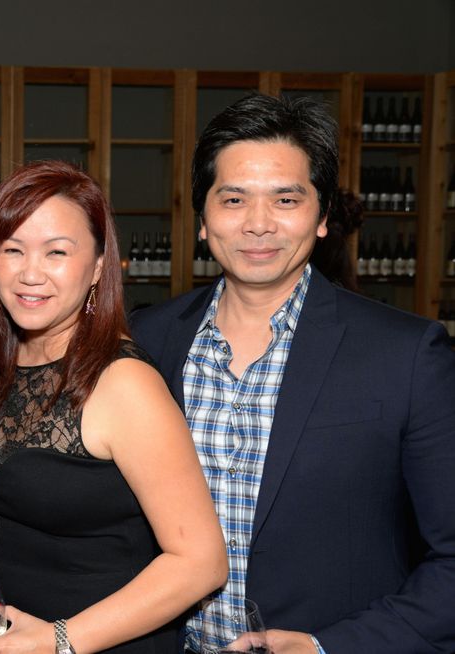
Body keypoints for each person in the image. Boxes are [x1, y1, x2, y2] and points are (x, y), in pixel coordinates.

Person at [130, 93, 455, 654]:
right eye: (233, 199)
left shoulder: (405, 355)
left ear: (323, 216)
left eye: (286, 198)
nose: (258, 225)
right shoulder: (146, 342)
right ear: (202, 218)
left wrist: (325, 648)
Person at [0, 160, 227, 654]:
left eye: (56, 252)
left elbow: (201, 563)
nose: (29, 272)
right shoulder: (3, 364)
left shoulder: (124, 383)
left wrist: (57, 641)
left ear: (99, 266)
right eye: (11, 249)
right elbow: (5, 505)